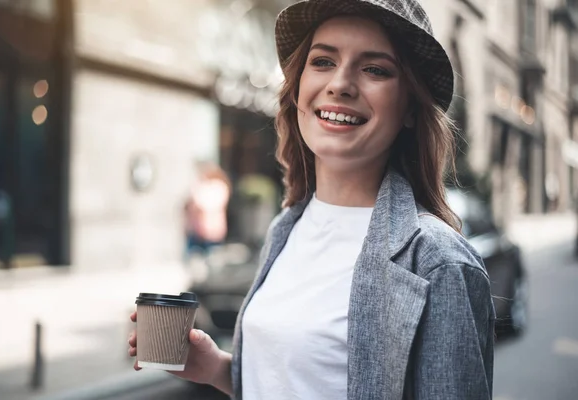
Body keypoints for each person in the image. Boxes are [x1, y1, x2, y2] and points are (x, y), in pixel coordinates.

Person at [128, 1, 495, 398]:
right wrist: (218, 369)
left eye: (375, 69)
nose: (340, 83)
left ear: (409, 107)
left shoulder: (439, 263)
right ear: (299, 88)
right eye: (322, 61)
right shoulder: (286, 227)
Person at [183, 162, 231, 260]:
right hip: (196, 231)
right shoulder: (201, 185)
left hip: (212, 231)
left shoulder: (218, 186)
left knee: (212, 260)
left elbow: (203, 205)